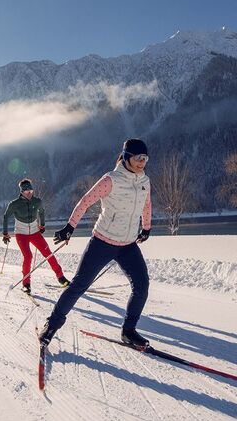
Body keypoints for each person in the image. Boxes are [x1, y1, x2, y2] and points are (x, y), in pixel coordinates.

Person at [39, 138, 153, 349]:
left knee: (142, 285)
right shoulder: (110, 180)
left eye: (145, 158)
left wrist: (146, 228)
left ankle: (129, 331)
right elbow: (85, 201)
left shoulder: (144, 181)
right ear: (127, 157)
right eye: (138, 158)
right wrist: (69, 227)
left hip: (128, 245)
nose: (142, 162)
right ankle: (52, 325)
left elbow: (147, 205)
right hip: (103, 241)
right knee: (79, 285)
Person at [2, 178, 70, 294]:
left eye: (31, 190)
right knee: (28, 256)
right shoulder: (14, 204)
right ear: (22, 191)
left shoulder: (37, 201)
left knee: (48, 253)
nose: (29, 193)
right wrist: (5, 233)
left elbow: (42, 212)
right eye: (27, 191)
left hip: (34, 232)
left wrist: (42, 225)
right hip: (21, 234)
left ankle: (61, 277)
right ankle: (26, 284)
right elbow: (6, 217)